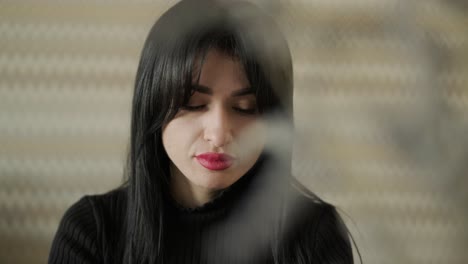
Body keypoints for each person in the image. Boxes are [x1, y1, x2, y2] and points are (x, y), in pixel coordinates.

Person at [48, 0, 355, 263]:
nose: (219, 135)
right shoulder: (93, 231)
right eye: (193, 104)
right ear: (153, 105)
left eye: (245, 107)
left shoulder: (314, 234)